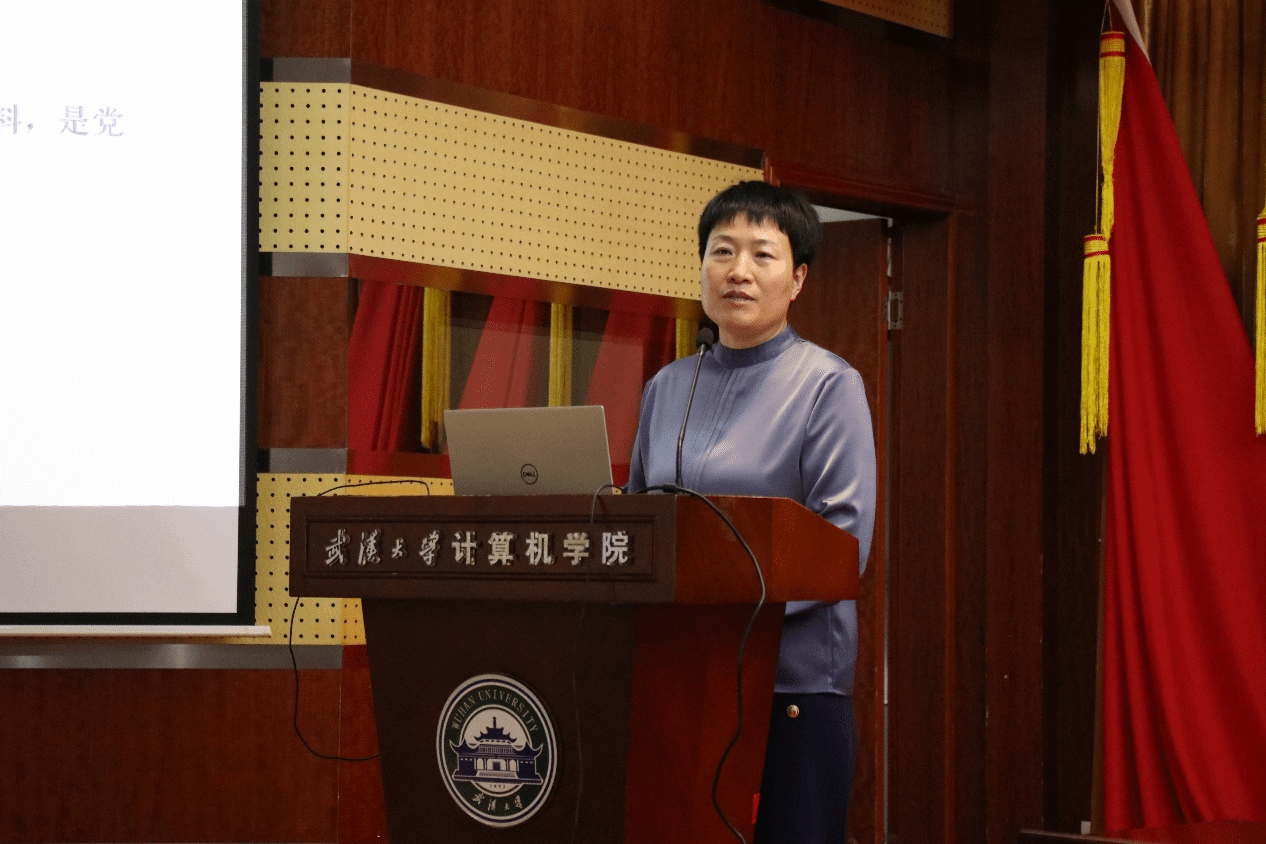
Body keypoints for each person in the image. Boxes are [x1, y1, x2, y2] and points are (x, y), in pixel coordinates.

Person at [626, 180, 877, 843]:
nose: (738, 270)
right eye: (722, 251)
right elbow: (637, 521)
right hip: (679, 677)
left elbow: (842, 544)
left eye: (762, 254)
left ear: (797, 279)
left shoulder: (828, 386)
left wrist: (721, 603)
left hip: (790, 686)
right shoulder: (667, 387)